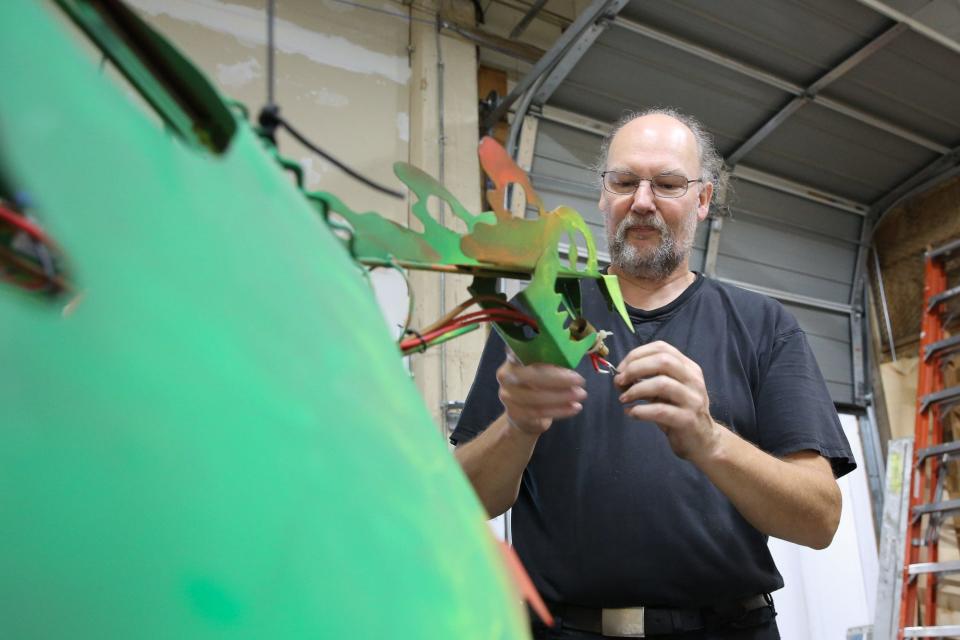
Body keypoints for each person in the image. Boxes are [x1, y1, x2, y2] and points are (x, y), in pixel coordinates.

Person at [451, 108, 856, 639]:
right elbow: (462, 502)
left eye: (667, 183)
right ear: (603, 195)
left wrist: (709, 440)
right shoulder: (539, 315)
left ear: (704, 199)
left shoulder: (764, 326)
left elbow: (819, 520)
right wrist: (517, 426)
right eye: (624, 182)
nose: (641, 202)